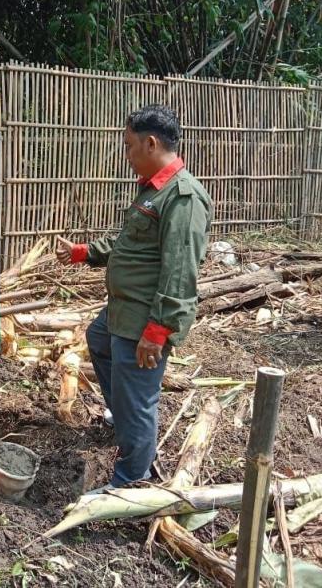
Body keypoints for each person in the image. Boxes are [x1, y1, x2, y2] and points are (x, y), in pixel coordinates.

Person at [57, 104, 212, 493]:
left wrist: (157, 331)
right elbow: (129, 243)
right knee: (98, 341)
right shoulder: (153, 191)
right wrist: (83, 252)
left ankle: (130, 481)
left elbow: (180, 271)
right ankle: (123, 419)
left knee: (139, 396)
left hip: (145, 316)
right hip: (122, 309)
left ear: (151, 142)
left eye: (128, 146)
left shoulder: (183, 197)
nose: (126, 155)